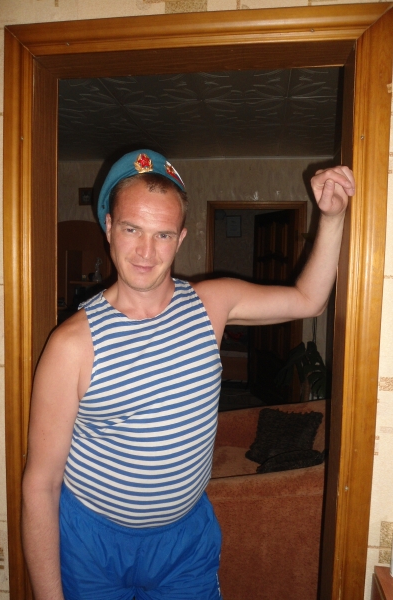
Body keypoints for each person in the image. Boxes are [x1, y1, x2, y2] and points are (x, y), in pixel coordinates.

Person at [22, 149, 355, 600]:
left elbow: (308, 299)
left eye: (162, 234)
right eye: (132, 229)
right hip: (92, 541)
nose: (146, 251)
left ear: (180, 239)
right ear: (109, 227)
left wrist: (331, 217)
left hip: (183, 542)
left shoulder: (210, 305)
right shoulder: (71, 346)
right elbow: (41, 484)